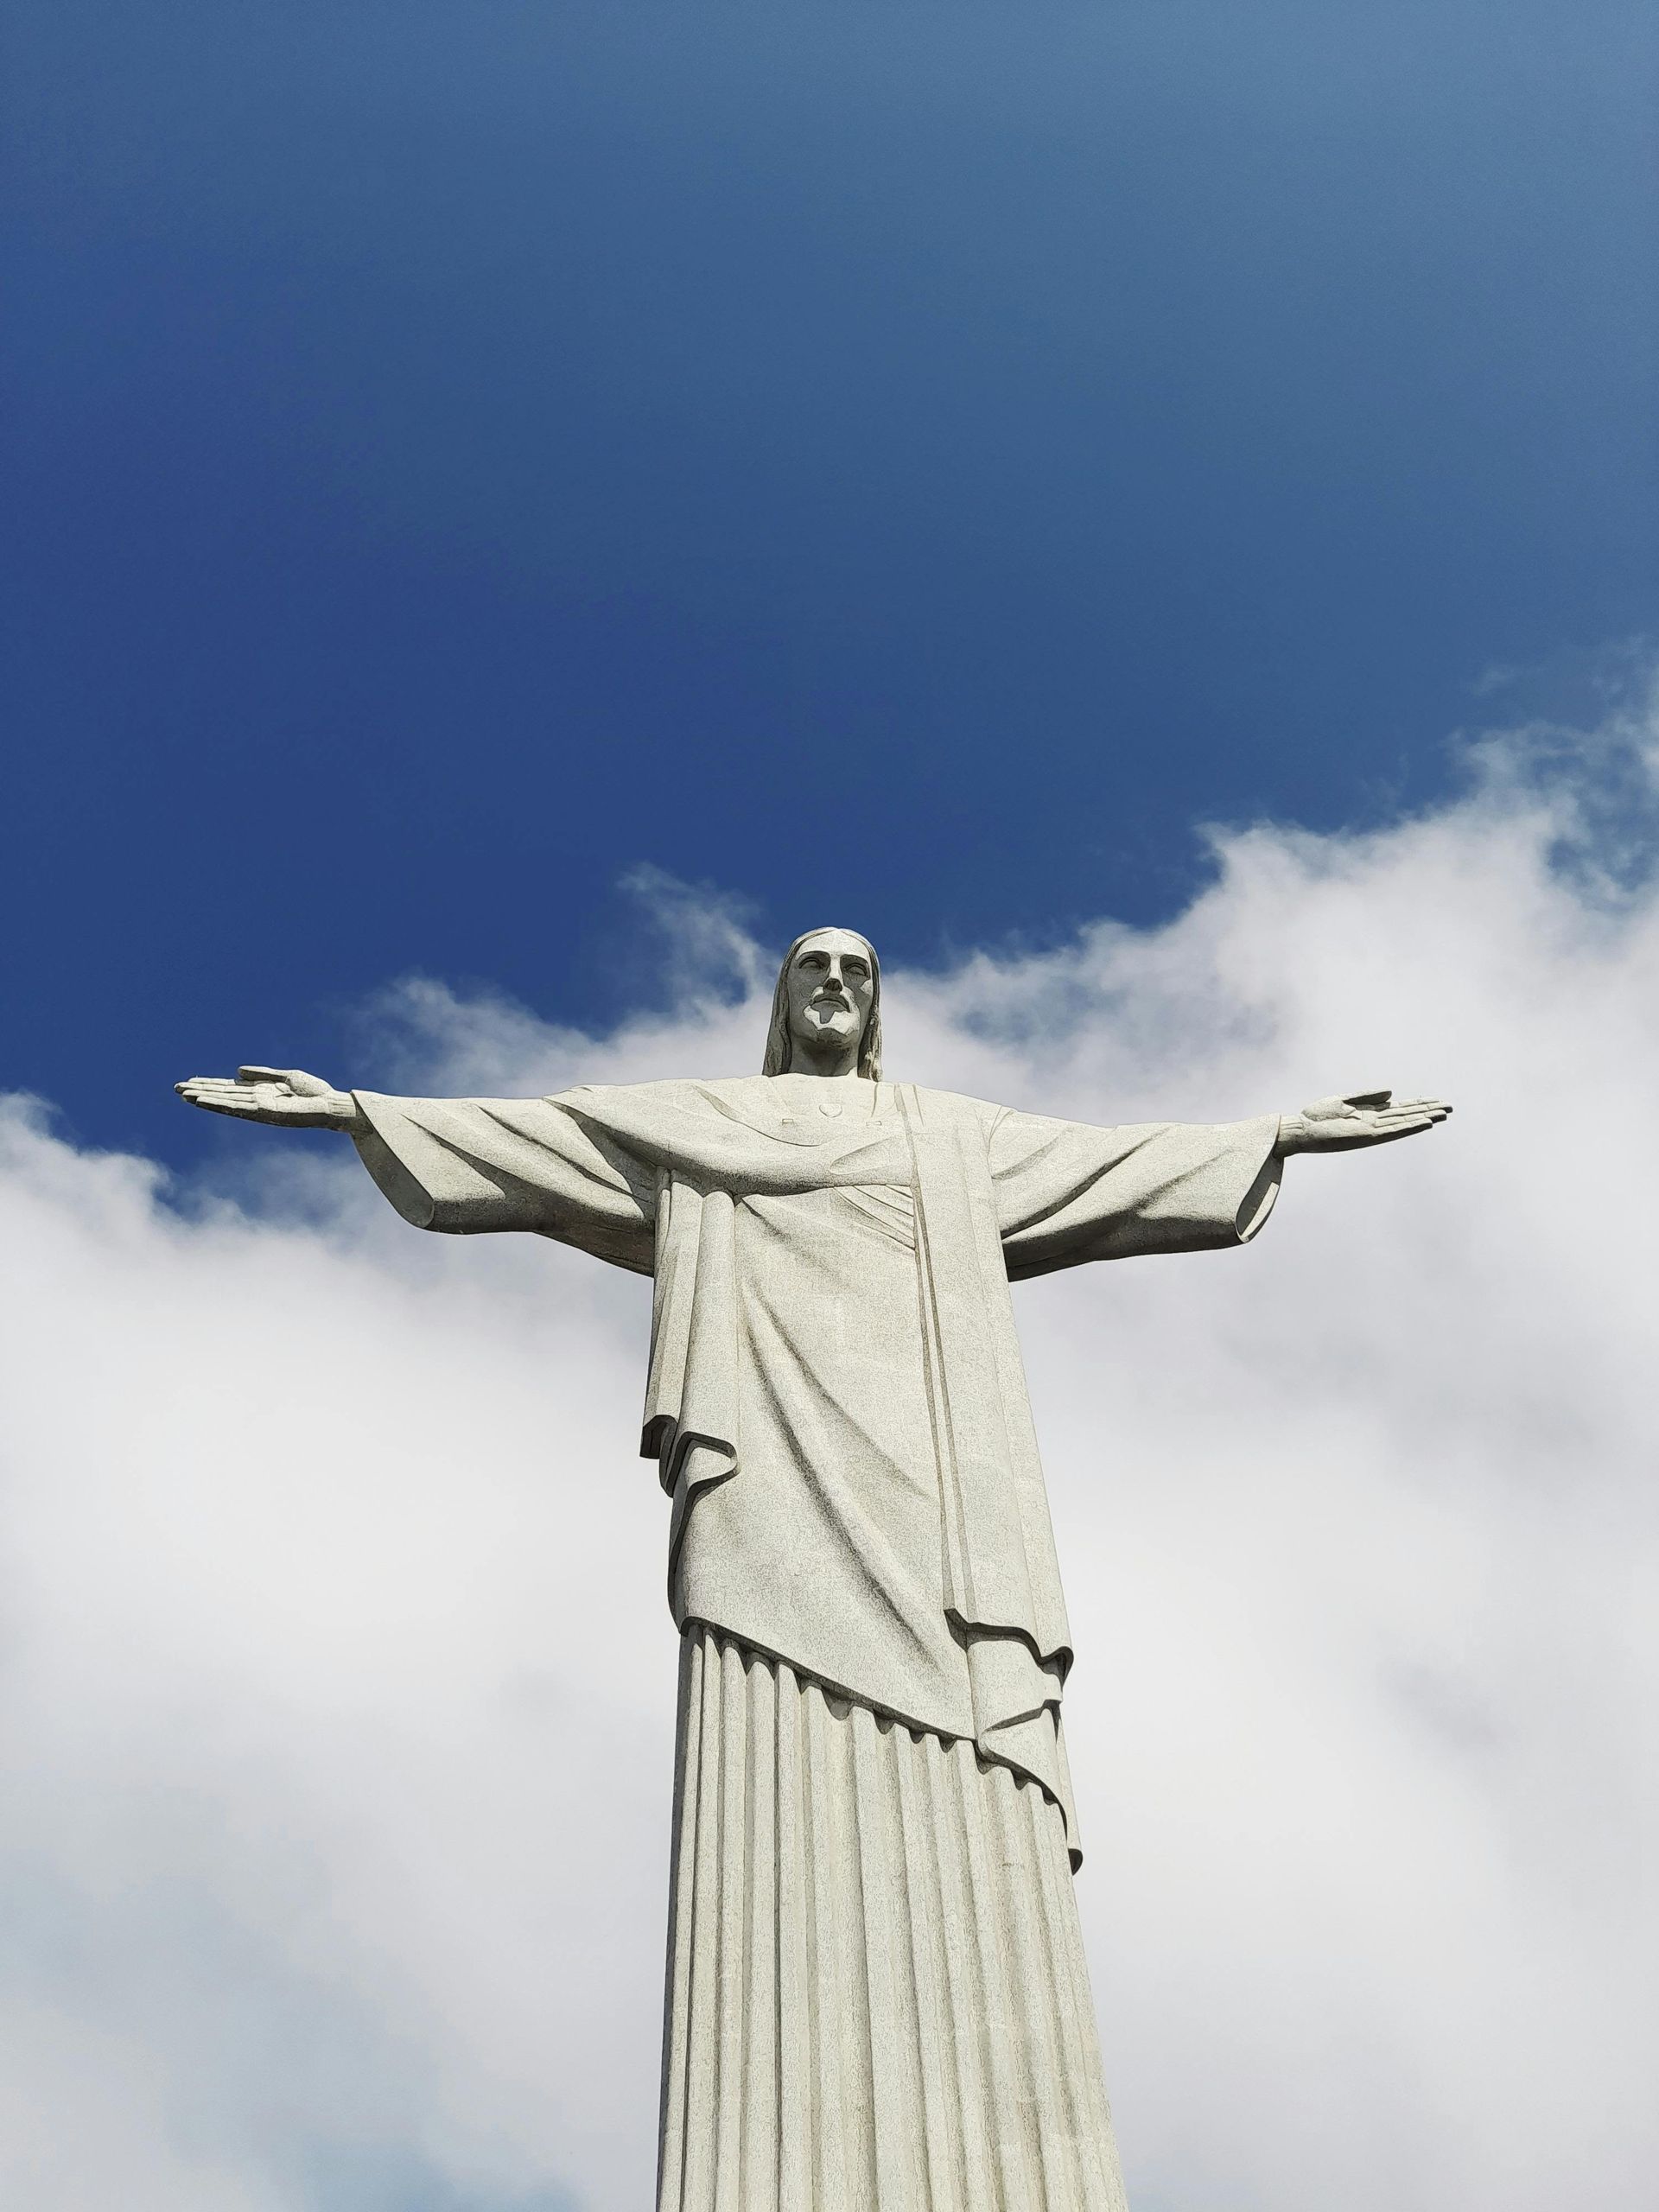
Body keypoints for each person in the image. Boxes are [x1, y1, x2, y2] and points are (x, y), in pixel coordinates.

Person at [179, 927, 1450, 2212]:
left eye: (858, 971)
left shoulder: (948, 1139)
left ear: (878, 1005)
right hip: (769, 1486)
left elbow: (1108, 1164)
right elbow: (542, 1144)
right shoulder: (702, 1125)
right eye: (812, 969)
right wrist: (356, 1111)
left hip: (947, 1511)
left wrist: (1276, 1134)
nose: (836, 984)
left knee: (971, 1783)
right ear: (783, 1003)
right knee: (771, 1760)